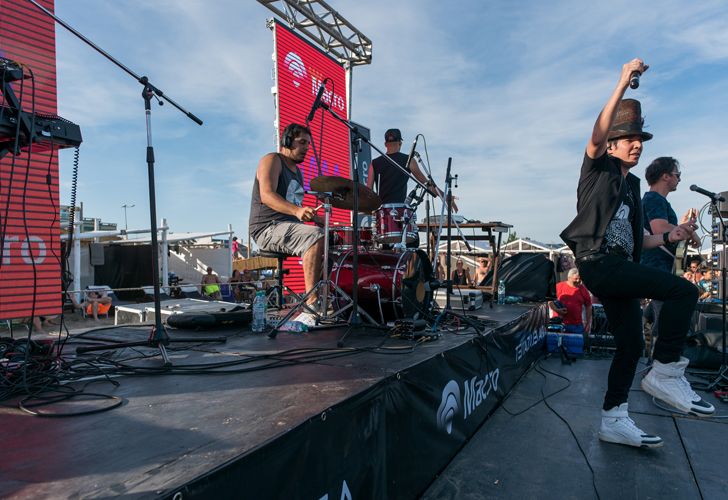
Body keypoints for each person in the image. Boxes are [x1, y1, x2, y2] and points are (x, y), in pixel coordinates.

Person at [560, 58, 714, 449]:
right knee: (685, 292)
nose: (637, 145)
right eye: (629, 138)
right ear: (612, 144)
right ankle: (664, 372)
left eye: (640, 140)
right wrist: (622, 83)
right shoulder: (598, 171)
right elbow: (595, 133)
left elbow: (639, 241)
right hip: (598, 261)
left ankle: (614, 418)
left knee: (630, 345)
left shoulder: (632, 190)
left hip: (619, 269)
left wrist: (671, 235)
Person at [248, 123, 325, 326]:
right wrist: (298, 211)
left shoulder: (298, 172)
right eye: (301, 142)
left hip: (287, 226)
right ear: (287, 141)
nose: (306, 148)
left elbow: (295, 208)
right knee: (315, 235)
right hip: (267, 228)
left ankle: (330, 300)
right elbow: (267, 195)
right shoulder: (272, 160)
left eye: (308, 143)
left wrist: (315, 217)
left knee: (332, 239)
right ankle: (312, 305)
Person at [640, 157, 698, 349]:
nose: (679, 179)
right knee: (665, 320)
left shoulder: (654, 200)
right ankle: (659, 367)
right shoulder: (655, 198)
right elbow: (660, 228)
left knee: (662, 314)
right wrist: (688, 231)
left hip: (659, 266)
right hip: (657, 266)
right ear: (665, 176)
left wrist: (683, 228)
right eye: (677, 175)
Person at [366, 128, 455, 210]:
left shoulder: (374, 163)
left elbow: (367, 193)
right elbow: (426, 184)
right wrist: (444, 196)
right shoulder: (409, 160)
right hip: (400, 211)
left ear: (385, 144)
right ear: (400, 143)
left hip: (382, 212)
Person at [549, 268, 592, 335]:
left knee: (577, 344)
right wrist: (557, 310)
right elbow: (549, 301)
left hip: (576, 325)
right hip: (559, 324)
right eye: (576, 279)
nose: (578, 281)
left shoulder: (582, 289)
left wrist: (588, 322)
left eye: (580, 279)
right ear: (569, 278)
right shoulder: (559, 286)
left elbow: (588, 305)